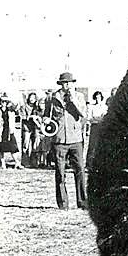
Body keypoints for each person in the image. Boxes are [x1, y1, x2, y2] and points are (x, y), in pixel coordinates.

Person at [45, 71, 87, 210]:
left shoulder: (79, 96)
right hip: (59, 139)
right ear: (61, 84)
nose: (67, 85)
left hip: (75, 139)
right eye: (64, 83)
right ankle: (63, 204)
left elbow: (83, 113)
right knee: (60, 172)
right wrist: (46, 121)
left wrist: (73, 99)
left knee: (80, 170)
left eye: (69, 82)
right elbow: (46, 115)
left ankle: (82, 202)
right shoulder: (52, 97)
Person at [0, 94, 23, 169]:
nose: (4, 103)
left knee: (13, 147)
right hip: (1, 130)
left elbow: (17, 107)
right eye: (2, 101)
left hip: (9, 130)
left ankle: (17, 163)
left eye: (5, 101)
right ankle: (3, 163)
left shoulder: (10, 110)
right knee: (0, 148)